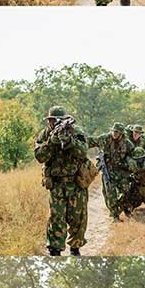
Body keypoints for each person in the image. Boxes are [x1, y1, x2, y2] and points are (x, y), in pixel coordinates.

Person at [34, 107, 94, 258]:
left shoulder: (76, 131)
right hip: (57, 184)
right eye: (51, 120)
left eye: (57, 120)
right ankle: (55, 249)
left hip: (76, 183)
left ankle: (75, 247)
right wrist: (52, 142)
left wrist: (69, 141)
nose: (54, 123)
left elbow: (83, 152)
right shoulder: (45, 134)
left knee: (78, 217)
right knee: (56, 217)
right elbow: (40, 156)